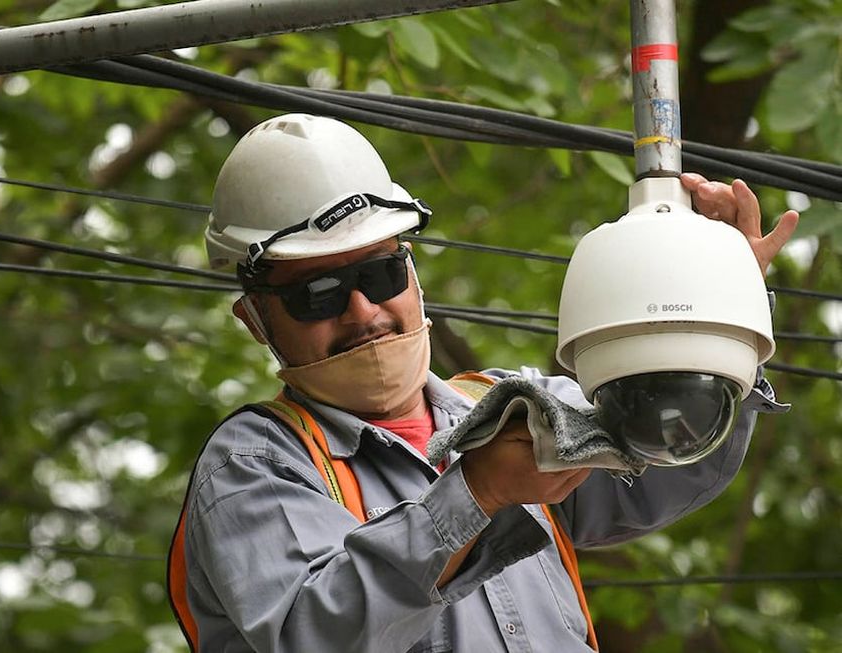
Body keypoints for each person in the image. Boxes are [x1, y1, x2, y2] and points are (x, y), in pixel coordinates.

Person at [168, 113, 797, 652]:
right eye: (317, 294)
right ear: (256, 319)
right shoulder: (256, 464)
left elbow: (672, 451)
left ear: (413, 276)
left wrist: (717, 318)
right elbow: (311, 633)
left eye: (381, 274)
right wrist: (474, 495)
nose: (362, 311)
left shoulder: (513, 412)